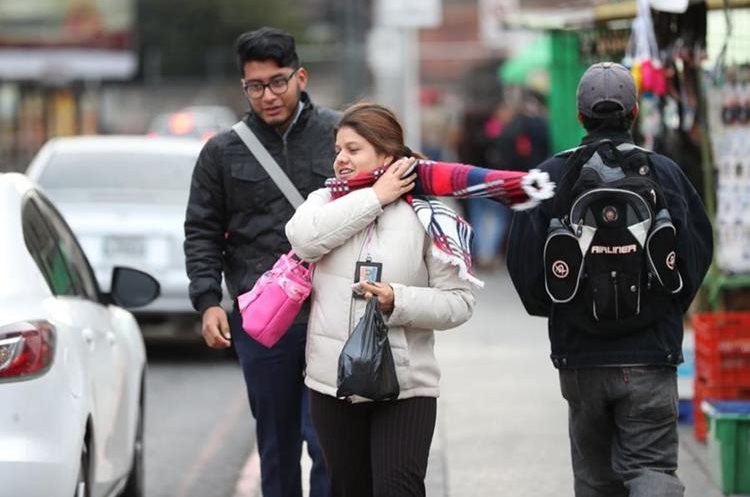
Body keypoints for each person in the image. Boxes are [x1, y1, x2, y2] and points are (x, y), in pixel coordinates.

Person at [506, 62, 713, 497]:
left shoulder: (548, 178)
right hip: (651, 352)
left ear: (579, 116)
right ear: (634, 112)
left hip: (580, 355)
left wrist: (564, 309)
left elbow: (525, 271)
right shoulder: (666, 174)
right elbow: (696, 251)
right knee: (652, 468)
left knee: (597, 481)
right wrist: (666, 306)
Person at [284, 102, 477, 497]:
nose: (340, 159)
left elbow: (460, 301)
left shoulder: (429, 215)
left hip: (406, 386)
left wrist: (398, 301)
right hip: (333, 383)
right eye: (338, 149)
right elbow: (303, 240)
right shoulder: (323, 201)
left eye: (353, 150)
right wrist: (374, 196)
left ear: (387, 154)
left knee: (399, 489)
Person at [183, 27, 337, 497]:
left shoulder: (339, 136)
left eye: (278, 82)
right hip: (262, 320)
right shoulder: (221, 152)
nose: (268, 95)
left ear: (300, 77)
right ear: (243, 87)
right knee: (277, 443)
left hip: (332, 312)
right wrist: (208, 301)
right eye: (255, 86)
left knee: (328, 442)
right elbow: (202, 230)